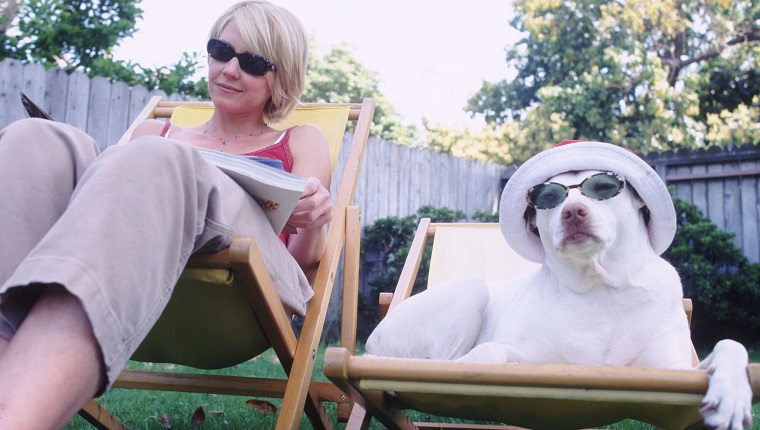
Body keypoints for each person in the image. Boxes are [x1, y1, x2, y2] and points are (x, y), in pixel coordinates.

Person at [0, 1, 332, 427]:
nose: (230, 70)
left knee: (160, 159)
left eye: (252, 62)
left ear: (281, 74)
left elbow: (304, 262)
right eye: (220, 51)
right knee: (36, 140)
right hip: (138, 286)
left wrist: (315, 219)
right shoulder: (153, 132)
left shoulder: (302, 139)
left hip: (246, 300)